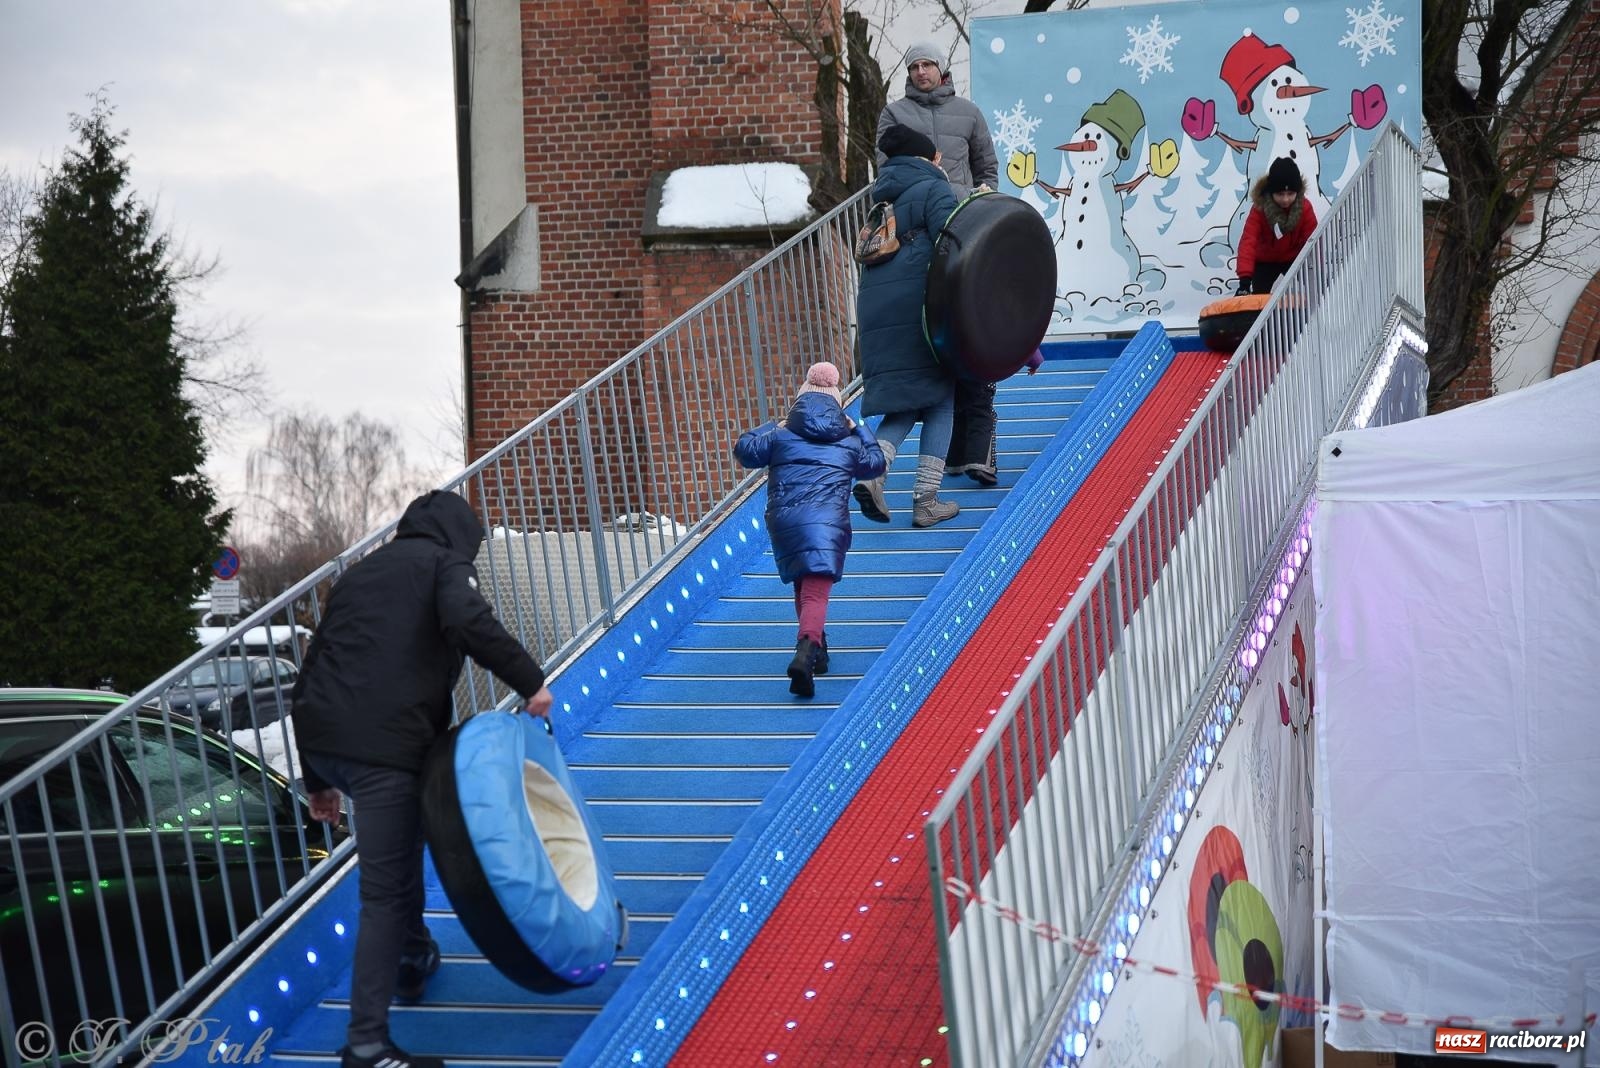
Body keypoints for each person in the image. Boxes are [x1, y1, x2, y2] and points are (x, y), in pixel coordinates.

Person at [292, 489, 553, 1068]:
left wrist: (318, 777)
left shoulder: (357, 576)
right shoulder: (443, 563)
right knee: (385, 892)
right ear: (460, 537)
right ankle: (366, 1045)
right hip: (384, 746)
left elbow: (312, 670)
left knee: (401, 850)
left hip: (329, 740)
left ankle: (411, 958)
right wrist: (530, 681)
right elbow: (468, 620)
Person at [735, 362, 886, 698]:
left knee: (803, 584)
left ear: (800, 401)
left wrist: (774, 425)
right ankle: (805, 654)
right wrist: (860, 429)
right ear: (837, 405)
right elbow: (876, 463)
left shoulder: (781, 436)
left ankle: (818, 652)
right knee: (816, 592)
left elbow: (744, 450)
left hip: (785, 520)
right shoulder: (848, 442)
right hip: (827, 522)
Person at [853, 125, 962, 529]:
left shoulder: (881, 201)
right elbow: (954, 245)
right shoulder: (934, 189)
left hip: (877, 311)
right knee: (941, 398)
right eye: (935, 157)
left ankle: (875, 472)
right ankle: (926, 499)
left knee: (908, 401)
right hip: (919, 307)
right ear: (926, 159)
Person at [876, 40, 999, 199]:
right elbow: (886, 168)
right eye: (914, 67)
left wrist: (984, 200)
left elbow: (986, 167)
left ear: (940, 67)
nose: (921, 72)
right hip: (914, 206)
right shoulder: (893, 113)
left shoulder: (970, 112)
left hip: (961, 205)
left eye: (927, 64)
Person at [945, 348, 1044, 486]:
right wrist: (1034, 361)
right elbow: (1017, 338)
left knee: (959, 413)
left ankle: (955, 462)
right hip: (982, 368)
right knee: (981, 415)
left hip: (953, 367)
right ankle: (979, 464)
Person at [1236, 157, 1318, 296]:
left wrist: (1317, 270)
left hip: (1294, 259)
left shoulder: (1305, 208)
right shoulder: (1259, 209)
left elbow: (1313, 241)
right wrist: (1244, 280)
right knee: (1259, 298)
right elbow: (1248, 242)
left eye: (1290, 194)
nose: (1285, 199)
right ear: (1271, 192)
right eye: (1280, 194)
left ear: (1297, 192)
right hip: (1265, 261)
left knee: (1317, 290)